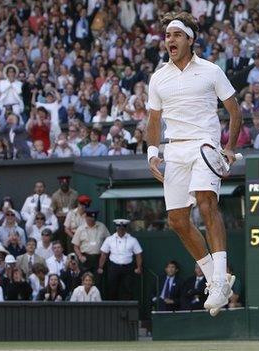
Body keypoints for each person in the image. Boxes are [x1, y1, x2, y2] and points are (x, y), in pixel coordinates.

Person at [146, 12, 241, 316]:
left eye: (175, 35)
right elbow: (154, 119)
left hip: (205, 146)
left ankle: (218, 278)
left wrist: (229, 147)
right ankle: (219, 277)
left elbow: (234, 111)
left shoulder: (212, 71)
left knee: (206, 203)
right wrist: (151, 151)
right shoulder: (158, 77)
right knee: (176, 221)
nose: (169, 40)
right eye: (167, 36)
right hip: (174, 151)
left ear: (190, 39)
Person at [98, 219, 143, 300]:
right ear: (116, 228)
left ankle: (128, 310)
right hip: (114, 267)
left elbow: (138, 254)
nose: (121, 230)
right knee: (112, 288)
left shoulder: (132, 240)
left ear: (125, 229)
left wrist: (139, 267)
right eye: (119, 228)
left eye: (123, 229)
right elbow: (104, 254)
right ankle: (112, 309)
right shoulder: (109, 239)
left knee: (128, 289)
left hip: (128, 267)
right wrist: (100, 267)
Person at [72, 210, 109, 276]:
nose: (91, 221)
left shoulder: (102, 227)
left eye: (93, 220)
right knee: (85, 279)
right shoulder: (80, 229)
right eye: (89, 219)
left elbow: (109, 240)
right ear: (86, 218)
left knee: (98, 280)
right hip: (86, 258)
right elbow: (75, 246)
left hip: (98, 258)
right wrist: (80, 256)